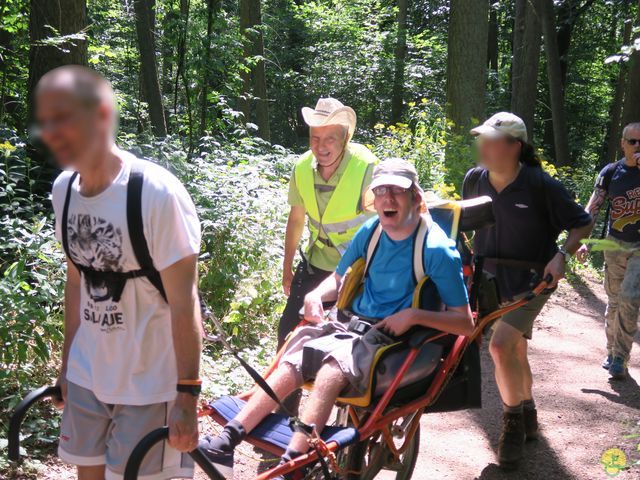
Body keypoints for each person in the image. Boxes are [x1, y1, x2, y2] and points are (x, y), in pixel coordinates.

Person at [200, 158, 473, 479]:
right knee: (296, 359)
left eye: (397, 190)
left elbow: (464, 323)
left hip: (395, 338)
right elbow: (340, 278)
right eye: (381, 190)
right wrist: (316, 294)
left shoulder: (437, 249)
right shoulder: (372, 230)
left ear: (415, 197)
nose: (387, 198)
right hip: (352, 325)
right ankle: (227, 440)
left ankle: (296, 460)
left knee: (333, 366)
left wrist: (413, 315)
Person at [37, 66, 202, 480]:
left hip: (150, 382)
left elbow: (186, 302)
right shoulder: (64, 191)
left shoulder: (155, 193)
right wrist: (66, 366)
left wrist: (187, 395)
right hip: (89, 374)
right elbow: (76, 283)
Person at [462, 112, 592, 470]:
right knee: (515, 348)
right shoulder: (474, 180)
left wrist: (561, 255)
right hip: (489, 280)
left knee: (500, 345)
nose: (482, 147)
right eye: (482, 140)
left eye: (491, 141)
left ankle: (512, 425)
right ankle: (529, 410)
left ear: (515, 147)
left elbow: (583, 221)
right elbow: (463, 225)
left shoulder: (539, 184)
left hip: (534, 281)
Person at [278, 97, 377, 411]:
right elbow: (296, 219)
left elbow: (381, 221)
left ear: (345, 139)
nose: (320, 146)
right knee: (287, 332)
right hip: (317, 264)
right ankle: (284, 410)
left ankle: (344, 417)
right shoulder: (302, 168)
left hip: (359, 270)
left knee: (348, 342)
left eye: (329, 139)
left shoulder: (365, 166)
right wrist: (287, 267)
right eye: (314, 138)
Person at [576, 122, 640, 380]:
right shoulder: (611, 172)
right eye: (633, 141)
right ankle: (611, 350)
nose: (637, 146)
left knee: (629, 297)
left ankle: (620, 358)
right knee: (614, 301)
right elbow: (593, 207)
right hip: (614, 244)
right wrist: (582, 240)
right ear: (623, 143)